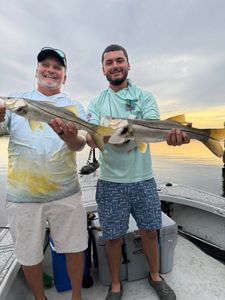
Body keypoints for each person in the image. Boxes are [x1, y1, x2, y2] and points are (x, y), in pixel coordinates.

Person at [86, 44, 190, 300]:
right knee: (112, 236)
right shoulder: (97, 102)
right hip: (110, 181)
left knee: (149, 230)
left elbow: (154, 127)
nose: (115, 66)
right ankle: (115, 286)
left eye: (119, 60)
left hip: (143, 179)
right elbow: (90, 136)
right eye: (109, 62)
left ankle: (155, 276)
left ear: (128, 65)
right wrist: (95, 137)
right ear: (103, 69)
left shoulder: (144, 96)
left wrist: (172, 135)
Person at [0, 47, 88, 300]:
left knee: (74, 247)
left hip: (65, 192)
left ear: (64, 76)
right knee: (28, 253)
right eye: (45, 65)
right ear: (36, 70)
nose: (51, 70)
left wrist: (72, 138)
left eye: (57, 67)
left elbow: (80, 144)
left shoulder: (73, 106)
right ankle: (40, 298)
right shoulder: (16, 101)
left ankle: (77, 297)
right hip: (22, 195)